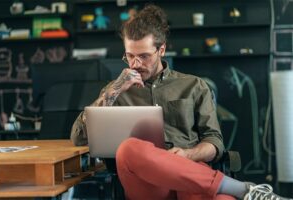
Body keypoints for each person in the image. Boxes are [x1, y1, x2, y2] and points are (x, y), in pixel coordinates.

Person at [71, 4, 292, 200]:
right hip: (147, 184)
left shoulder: (194, 86)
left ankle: (241, 191)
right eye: (130, 56)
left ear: (162, 50)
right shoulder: (116, 90)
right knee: (128, 149)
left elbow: (215, 143)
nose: (135, 63)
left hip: (191, 173)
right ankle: (242, 189)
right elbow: (79, 137)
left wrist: (187, 154)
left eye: (144, 56)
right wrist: (115, 89)